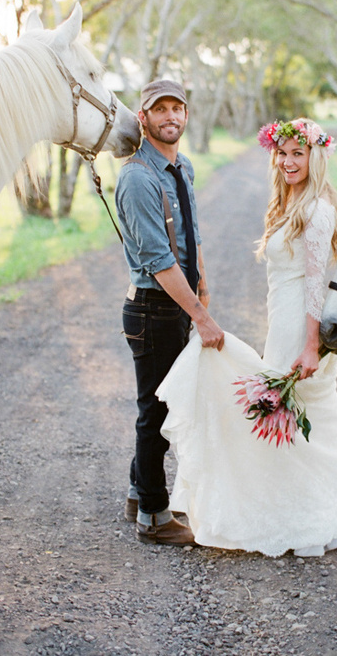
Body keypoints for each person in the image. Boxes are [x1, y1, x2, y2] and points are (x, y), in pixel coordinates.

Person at [156, 118, 337, 556]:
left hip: (299, 327)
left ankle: (317, 518)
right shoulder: (290, 201)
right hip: (283, 320)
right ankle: (306, 512)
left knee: (308, 416)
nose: (288, 162)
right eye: (282, 153)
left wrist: (311, 347)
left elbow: (315, 283)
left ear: (315, 156)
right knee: (295, 418)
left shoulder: (317, 210)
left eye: (297, 154)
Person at [115, 79, 224, 547]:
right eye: (160, 109)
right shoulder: (138, 177)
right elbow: (159, 261)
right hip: (154, 309)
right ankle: (154, 517)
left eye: (177, 108)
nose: (170, 116)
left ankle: (141, 493)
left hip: (177, 302)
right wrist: (200, 316)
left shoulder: (183, 168)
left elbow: (190, 232)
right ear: (143, 118)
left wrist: (202, 282)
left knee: (165, 403)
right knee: (155, 409)